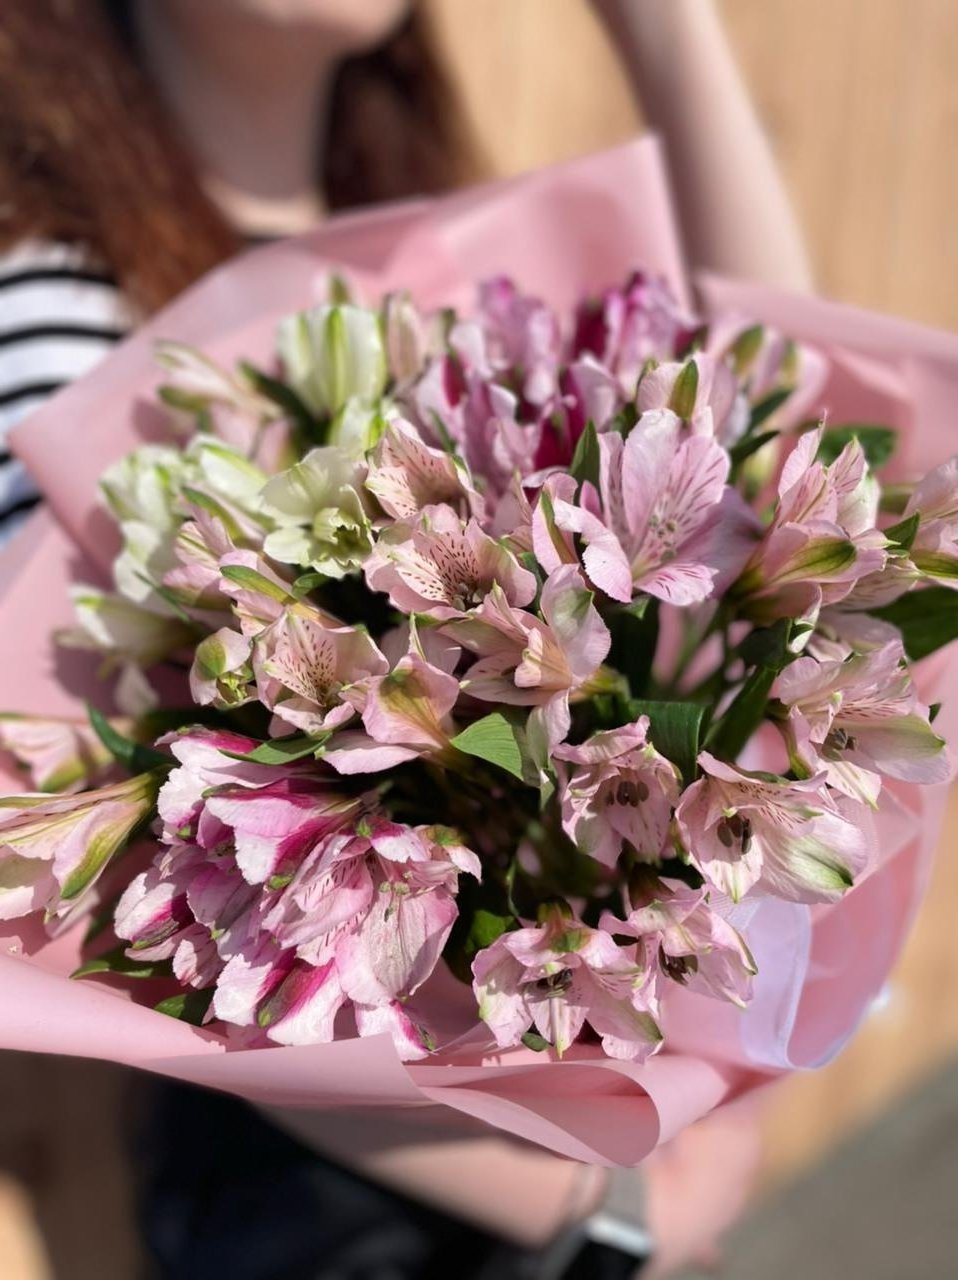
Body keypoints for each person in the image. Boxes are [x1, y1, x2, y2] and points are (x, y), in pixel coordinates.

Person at [0, 1, 807, 1274]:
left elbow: (776, 443)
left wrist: (667, 30)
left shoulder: (443, 248)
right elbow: (124, 889)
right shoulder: (50, 298)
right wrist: (597, 1203)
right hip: (350, 1212)